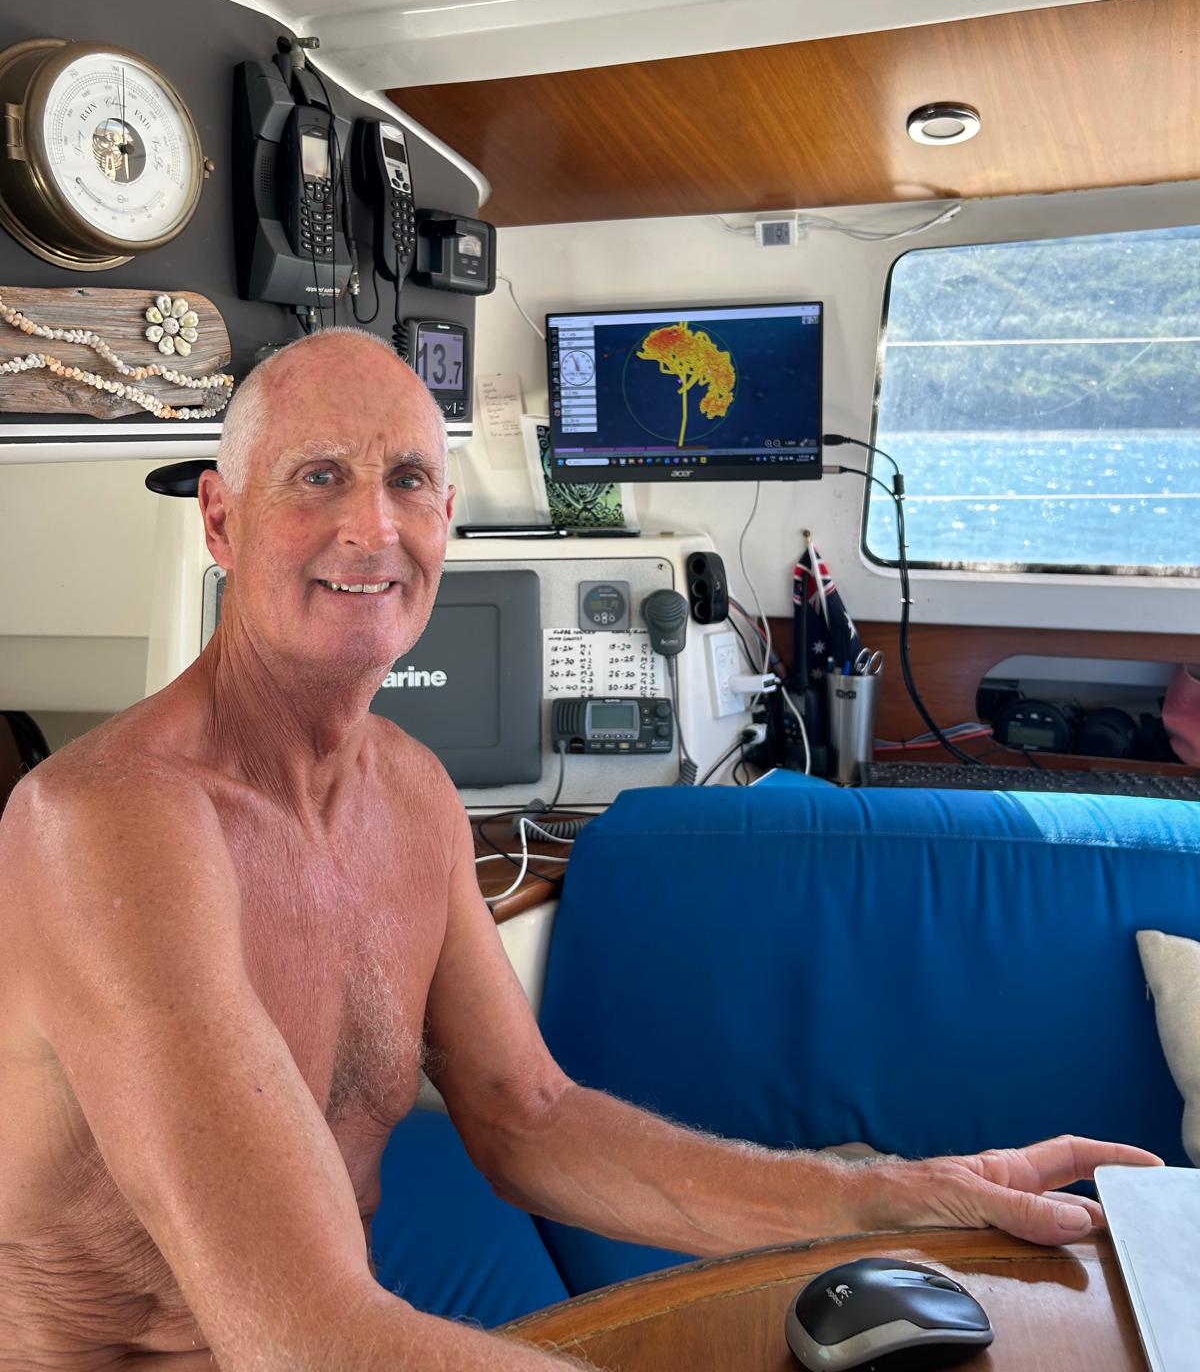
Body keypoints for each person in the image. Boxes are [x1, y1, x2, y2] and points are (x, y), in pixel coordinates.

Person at [0, 327, 1161, 1372]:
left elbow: (531, 1118)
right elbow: (309, 1339)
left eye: (408, 480)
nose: (372, 527)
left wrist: (889, 1195)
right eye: (318, 476)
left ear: (445, 517)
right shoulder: (103, 828)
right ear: (220, 518)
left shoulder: (409, 793)